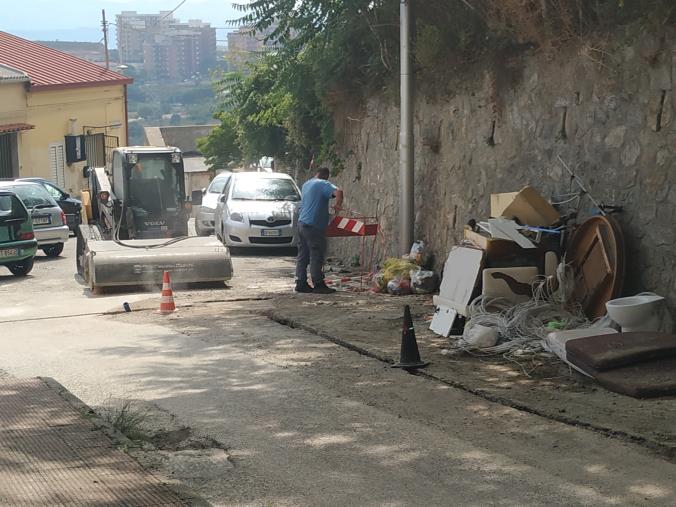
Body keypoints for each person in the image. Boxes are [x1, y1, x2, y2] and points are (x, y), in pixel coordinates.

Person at [295, 167, 344, 294]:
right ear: (326, 176)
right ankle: (318, 284)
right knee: (316, 254)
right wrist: (338, 207)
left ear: (316, 174)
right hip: (314, 226)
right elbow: (339, 192)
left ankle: (300, 283)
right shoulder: (323, 183)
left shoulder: (306, 184)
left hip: (302, 224)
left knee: (303, 255)